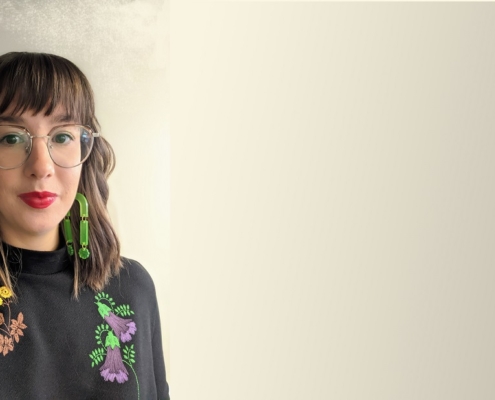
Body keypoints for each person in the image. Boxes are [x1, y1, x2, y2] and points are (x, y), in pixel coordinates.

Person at [0, 52, 170, 400]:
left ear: (85, 153)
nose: (41, 166)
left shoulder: (132, 289)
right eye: (11, 138)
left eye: (62, 137)